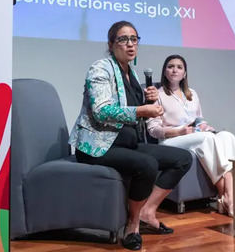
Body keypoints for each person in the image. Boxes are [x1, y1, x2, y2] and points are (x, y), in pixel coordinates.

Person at [68, 21, 192, 250]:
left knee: (183, 159)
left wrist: (148, 103)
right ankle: (132, 225)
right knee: (147, 164)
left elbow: (133, 114)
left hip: (125, 143)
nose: (130, 44)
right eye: (123, 39)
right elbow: (101, 110)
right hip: (98, 145)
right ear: (111, 44)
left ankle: (147, 211)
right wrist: (141, 110)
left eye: (134, 39)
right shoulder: (101, 68)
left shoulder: (131, 73)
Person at [147, 55, 235, 217]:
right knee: (207, 139)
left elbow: (198, 119)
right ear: (164, 71)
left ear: (184, 73)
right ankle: (226, 196)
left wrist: (204, 125)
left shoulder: (192, 94)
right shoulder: (158, 95)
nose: (174, 70)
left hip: (193, 136)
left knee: (227, 136)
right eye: (170, 66)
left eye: (179, 67)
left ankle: (227, 196)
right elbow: (153, 129)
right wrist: (179, 131)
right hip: (170, 141)